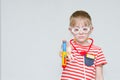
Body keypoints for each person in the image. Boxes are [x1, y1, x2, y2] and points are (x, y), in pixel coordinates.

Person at [60, 10, 107, 80]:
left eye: (85, 29)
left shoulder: (97, 51)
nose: (81, 32)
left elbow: (99, 76)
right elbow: (62, 53)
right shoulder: (69, 47)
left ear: (91, 29)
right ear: (70, 30)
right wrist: (64, 50)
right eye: (76, 29)